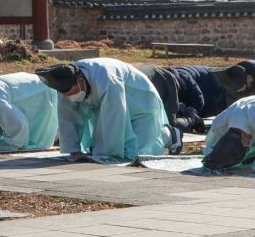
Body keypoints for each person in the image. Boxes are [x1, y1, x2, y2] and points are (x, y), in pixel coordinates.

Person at [35, 58, 181, 161]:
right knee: (114, 146)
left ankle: (171, 134)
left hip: (139, 100)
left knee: (139, 153)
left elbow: (114, 118)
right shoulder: (66, 83)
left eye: (73, 92)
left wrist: (105, 153)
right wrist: (74, 150)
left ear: (80, 82)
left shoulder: (107, 79)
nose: (71, 97)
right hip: (111, 105)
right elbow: (67, 116)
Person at [167, 65, 230, 132]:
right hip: (203, 84)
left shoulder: (184, 78)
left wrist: (193, 116)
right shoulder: (169, 81)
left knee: (221, 106)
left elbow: (199, 100)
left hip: (211, 83)